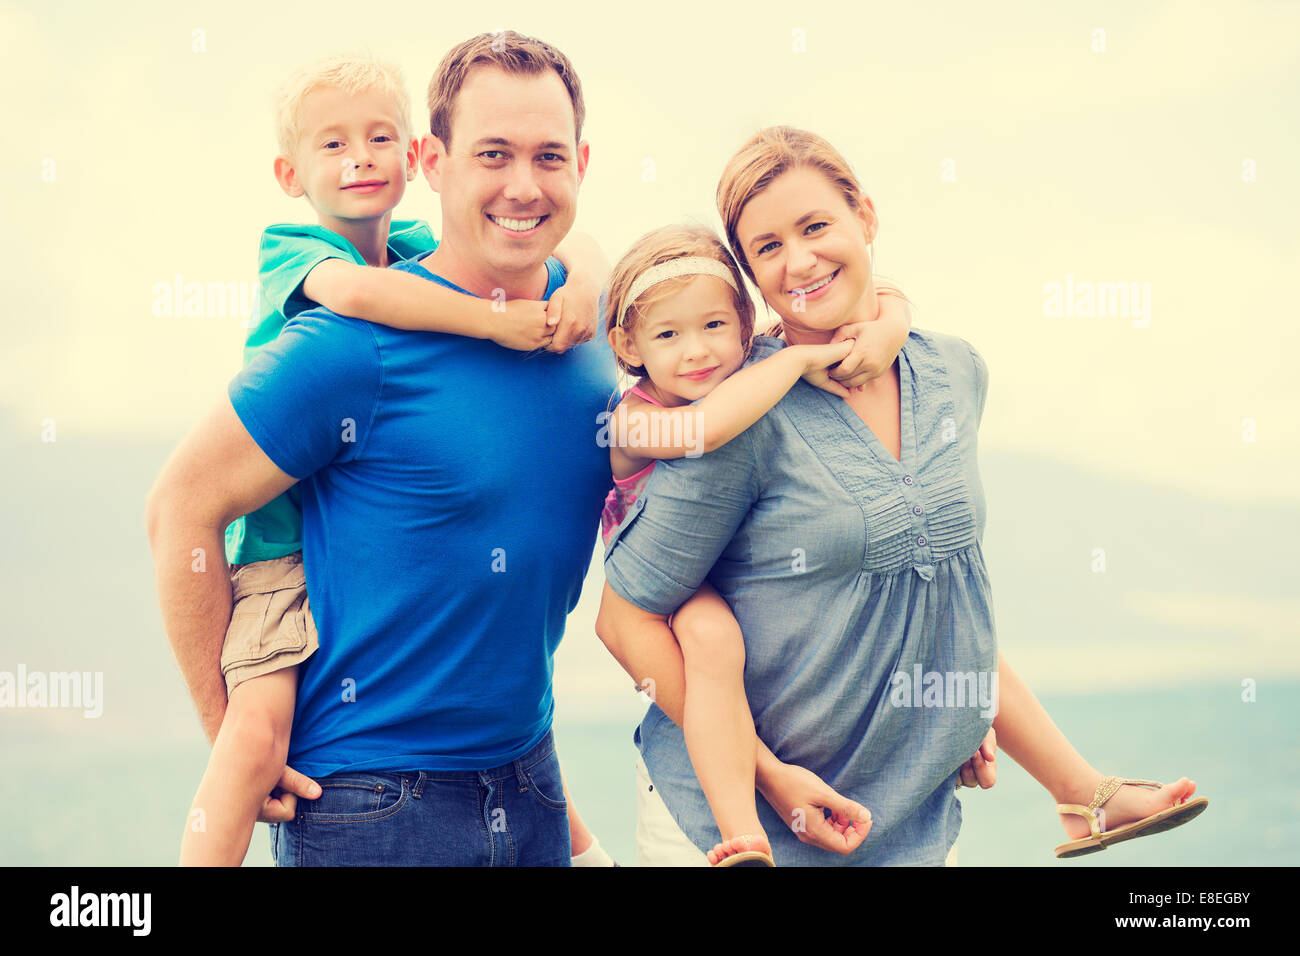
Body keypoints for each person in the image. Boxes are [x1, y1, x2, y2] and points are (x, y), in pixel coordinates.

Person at [597, 126, 1206, 865]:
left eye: (816, 226)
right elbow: (626, 621)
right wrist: (770, 773)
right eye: (767, 248)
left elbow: (941, 591)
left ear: (867, 217)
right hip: (729, 833)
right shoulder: (738, 414)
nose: (800, 260)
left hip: (903, 819)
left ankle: (1086, 794)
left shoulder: (954, 372)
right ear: (751, 277)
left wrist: (954, 711)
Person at [147, 31, 615, 866]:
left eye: (548, 156)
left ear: (581, 161)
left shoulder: (593, 326)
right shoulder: (345, 345)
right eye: (492, 154)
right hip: (370, 812)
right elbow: (180, 506)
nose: (523, 184)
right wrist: (235, 740)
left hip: (532, 787)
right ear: (434, 163)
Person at [599, 223, 912, 864]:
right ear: (626, 344)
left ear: (746, 322)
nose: (698, 352)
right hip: (675, 580)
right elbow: (706, 429)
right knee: (714, 641)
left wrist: (892, 325)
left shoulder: (754, 365)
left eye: (715, 325)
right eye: (667, 335)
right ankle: (743, 834)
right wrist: (796, 359)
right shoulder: (630, 417)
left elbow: (887, 291)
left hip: (746, 569)